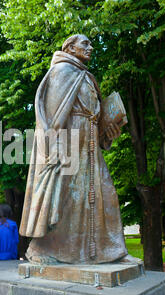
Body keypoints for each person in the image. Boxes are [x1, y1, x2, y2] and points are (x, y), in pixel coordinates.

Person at [20, 34, 139, 265]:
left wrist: (108, 133)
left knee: (107, 194)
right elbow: (52, 117)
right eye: (85, 43)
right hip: (68, 145)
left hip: (90, 145)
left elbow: (94, 115)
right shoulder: (62, 71)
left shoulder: (86, 77)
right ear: (70, 48)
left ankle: (111, 251)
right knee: (62, 199)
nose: (91, 47)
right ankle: (42, 250)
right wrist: (53, 150)